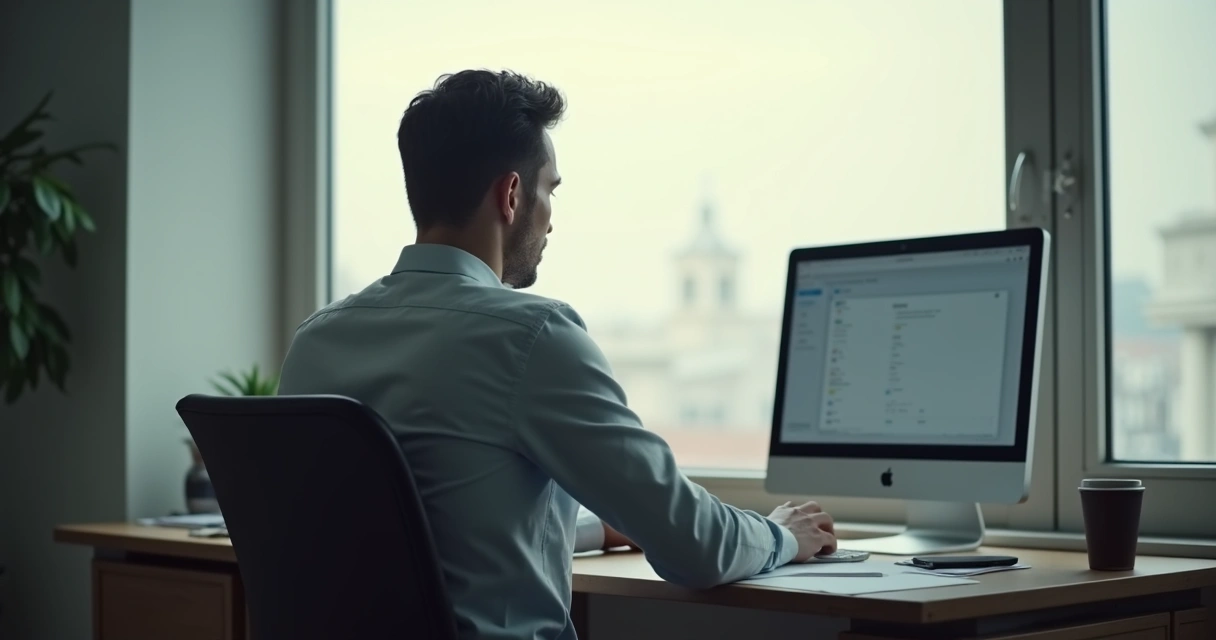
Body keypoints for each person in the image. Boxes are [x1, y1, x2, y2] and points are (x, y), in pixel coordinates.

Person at [277, 69, 836, 640]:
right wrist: (783, 535)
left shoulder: (315, 341)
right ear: (511, 195)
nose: (551, 217)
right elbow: (696, 548)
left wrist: (591, 528)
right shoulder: (528, 336)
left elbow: (420, 531)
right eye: (550, 190)